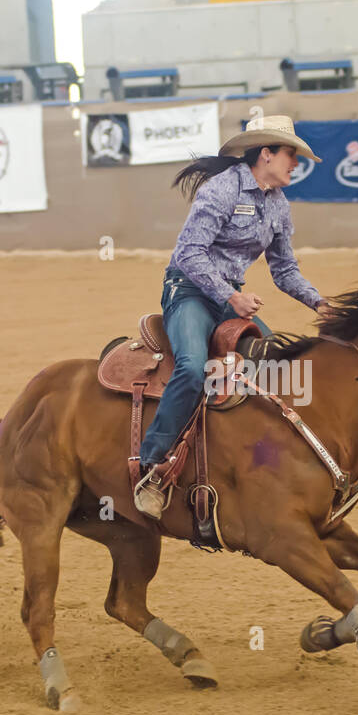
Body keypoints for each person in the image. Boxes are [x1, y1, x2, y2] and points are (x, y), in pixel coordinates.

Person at [133, 115, 332, 519]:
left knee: (278, 369)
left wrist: (320, 303)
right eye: (291, 155)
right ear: (266, 154)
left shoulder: (277, 206)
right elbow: (189, 253)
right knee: (190, 368)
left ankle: (255, 460)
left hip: (226, 299)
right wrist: (230, 296)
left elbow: (285, 270)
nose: (296, 164)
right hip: (188, 290)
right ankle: (151, 467)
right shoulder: (221, 189)